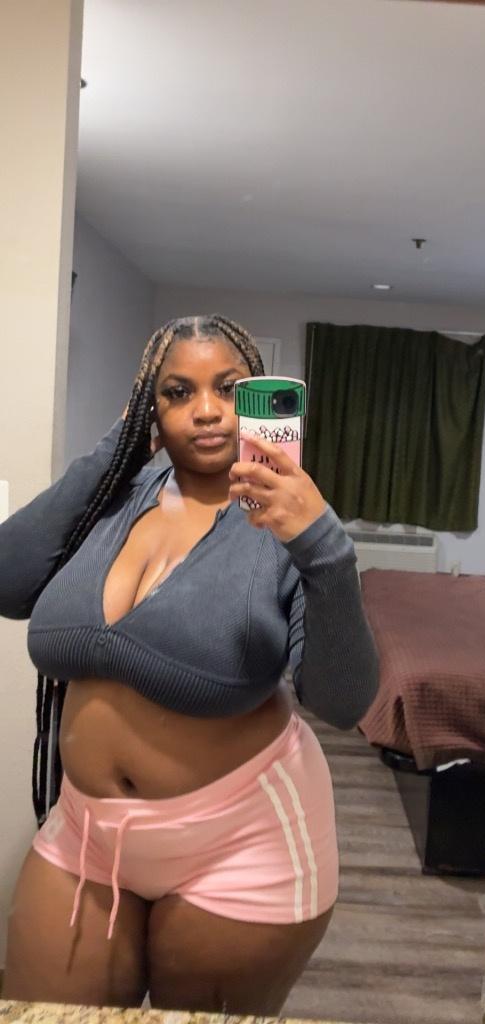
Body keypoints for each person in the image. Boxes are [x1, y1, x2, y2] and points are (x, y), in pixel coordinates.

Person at [0, 314, 379, 1014]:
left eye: (228, 388)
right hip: (87, 833)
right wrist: (113, 452)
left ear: (257, 397)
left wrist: (324, 548)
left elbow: (341, 700)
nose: (205, 410)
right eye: (177, 392)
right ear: (150, 406)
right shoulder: (115, 501)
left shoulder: (287, 523)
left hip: (241, 841)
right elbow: (8, 580)